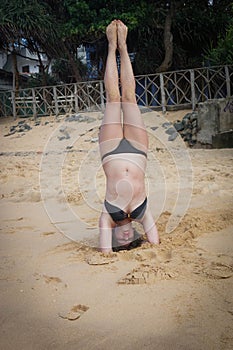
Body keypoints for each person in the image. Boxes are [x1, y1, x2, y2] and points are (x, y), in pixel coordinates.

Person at [99, 20, 159, 253]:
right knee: (130, 99)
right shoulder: (142, 213)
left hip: (110, 151)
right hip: (138, 151)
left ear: (113, 237)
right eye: (128, 240)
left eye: (119, 241)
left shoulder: (108, 215)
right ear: (134, 235)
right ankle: (123, 47)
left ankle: (111, 46)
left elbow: (104, 251)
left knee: (114, 99)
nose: (124, 237)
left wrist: (109, 247)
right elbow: (154, 241)